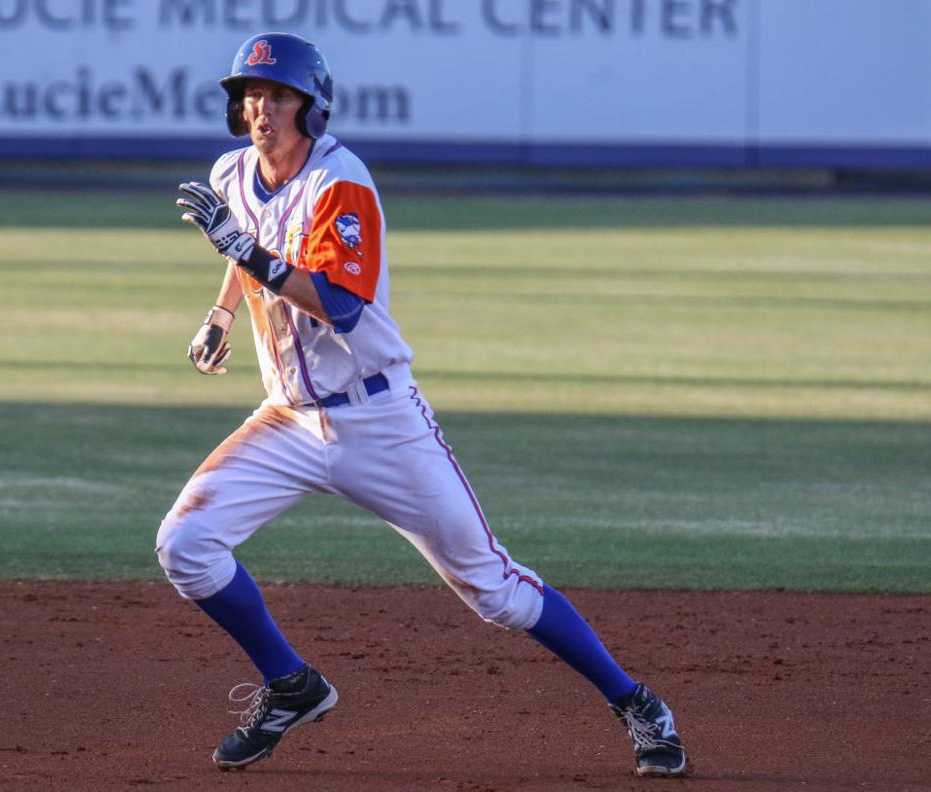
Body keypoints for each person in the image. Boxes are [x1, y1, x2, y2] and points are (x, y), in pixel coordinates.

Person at [156, 32, 687, 778]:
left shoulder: (342, 183)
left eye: (277, 95)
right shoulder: (232, 174)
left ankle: (636, 702)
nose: (260, 109)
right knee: (184, 545)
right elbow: (252, 245)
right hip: (287, 418)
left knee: (494, 591)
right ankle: (292, 686)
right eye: (249, 95)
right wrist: (222, 311)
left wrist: (240, 254)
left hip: (379, 421)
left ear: (312, 108)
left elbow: (336, 303)